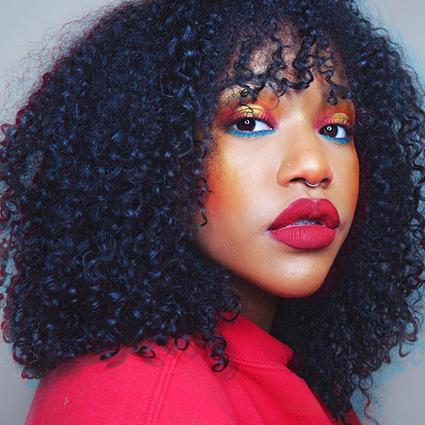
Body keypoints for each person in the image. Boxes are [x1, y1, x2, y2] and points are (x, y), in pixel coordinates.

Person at [0, 0, 424, 424]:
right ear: (153, 153)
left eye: (335, 129)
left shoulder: (287, 369)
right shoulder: (150, 399)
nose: (314, 166)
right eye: (248, 122)